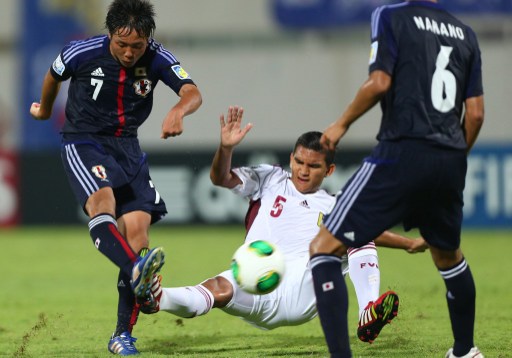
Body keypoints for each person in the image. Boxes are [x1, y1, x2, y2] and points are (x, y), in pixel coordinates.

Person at [147, 106, 427, 338]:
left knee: (356, 232)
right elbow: (220, 178)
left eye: (313, 166)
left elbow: (373, 232)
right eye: (299, 162)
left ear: (329, 170)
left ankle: (368, 311)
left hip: (302, 288)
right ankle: (156, 299)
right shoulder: (270, 178)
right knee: (216, 288)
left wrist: (410, 243)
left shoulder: (334, 203)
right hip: (256, 276)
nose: (303, 171)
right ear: (291, 158)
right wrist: (226, 148)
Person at [308, 1, 485, 357]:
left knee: (323, 248)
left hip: (402, 150)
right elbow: (477, 114)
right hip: (450, 157)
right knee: (449, 257)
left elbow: (379, 82)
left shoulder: (390, 15)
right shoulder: (466, 33)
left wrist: (341, 124)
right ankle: (465, 351)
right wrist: (450, 158)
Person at [29, 0, 202, 355]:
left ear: (147, 39)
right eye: (121, 44)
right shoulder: (82, 51)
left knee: (138, 233)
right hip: (84, 140)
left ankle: (122, 334)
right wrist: (45, 109)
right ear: (110, 34)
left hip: (128, 149)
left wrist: (177, 110)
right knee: (102, 202)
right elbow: (53, 74)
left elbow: (192, 92)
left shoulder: (156, 57)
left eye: (136, 46)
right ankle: (136, 271)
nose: (128, 52)